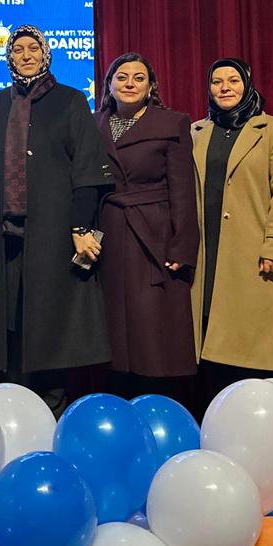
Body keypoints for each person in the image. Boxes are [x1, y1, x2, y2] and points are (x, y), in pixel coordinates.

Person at [0, 25, 112, 415]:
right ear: (9, 57)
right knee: (11, 326)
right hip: (5, 237)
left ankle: (51, 413)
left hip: (53, 234)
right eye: (17, 49)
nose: (26, 55)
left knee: (50, 325)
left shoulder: (69, 100)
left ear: (46, 53)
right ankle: (15, 410)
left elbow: (87, 170)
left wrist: (81, 228)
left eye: (33, 48)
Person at [189, 59, 273, 394]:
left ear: (247, 85)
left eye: (233, 80)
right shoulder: (194, 131)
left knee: (251, 346)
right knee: (209, 342)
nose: (225, 88)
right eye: (217, 81)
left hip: (253, 249)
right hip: (205, 252)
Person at [94, 53, 198, 399]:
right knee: (112, 328)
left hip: (153, 237)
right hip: (108, 233)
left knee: (151, 327)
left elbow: (183, 189)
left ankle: (156, 401)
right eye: (121, 77)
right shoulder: (93, 125)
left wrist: (181, 246)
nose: (129, 84)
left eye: (139, 78)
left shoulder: (172, 124)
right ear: (109, 84)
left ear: (151, 86)